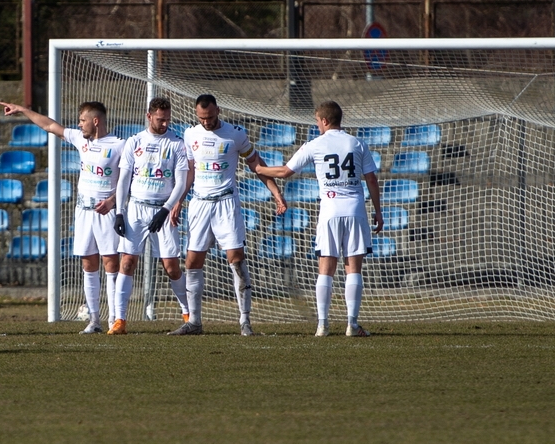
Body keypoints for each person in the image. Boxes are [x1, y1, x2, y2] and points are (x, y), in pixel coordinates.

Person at [250, 100, 383, 337]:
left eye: (317, 121)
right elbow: (371, 180)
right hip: (355, 209)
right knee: (353, 268)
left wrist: (261, 170)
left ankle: (322, 324)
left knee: (326, 268)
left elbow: (285, 171)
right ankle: (352, 324)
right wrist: (378, 211)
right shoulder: (357, 142)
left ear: (323, 120)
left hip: (329, 211)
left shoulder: (315, 144)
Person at [0, 100, 124, 334]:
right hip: (83, 211)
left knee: (111, 264)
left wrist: (112, 201)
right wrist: (23, 110)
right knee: (88, 263)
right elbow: (49, 126)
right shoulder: (80, 139)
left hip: (106, 212)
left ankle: (115, 320)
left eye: (82, 120)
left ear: (95, 121)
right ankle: (94, 320)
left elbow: (129, 180)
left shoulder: (119, 145)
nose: (79, 124)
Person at [168, 94, 286, 336]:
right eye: (202, 118)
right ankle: (195, 322)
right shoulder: (191, 135)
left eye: (210, 117)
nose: (206, 122)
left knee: (236, 259)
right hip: (199, 205)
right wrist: (179, 200)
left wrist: (275, 192)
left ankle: (245, 322)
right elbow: (190, 171)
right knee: (192, 262)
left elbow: (256, 164)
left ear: (218, 111)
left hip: (226, 204)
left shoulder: (236, 134)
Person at [109, 97, 189, 335]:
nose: (164, 124)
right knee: (127, 262)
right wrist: (120, 212)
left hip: (161, 210)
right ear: (149, 116)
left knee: (171, 267)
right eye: (159, 119)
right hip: (135, 208)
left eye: (167, 119)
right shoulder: (134, 142)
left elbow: (182, 181)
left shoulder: (177, 143)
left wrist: (166, 209)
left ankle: (188, 315)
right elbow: (124, 179)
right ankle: (120, 320)